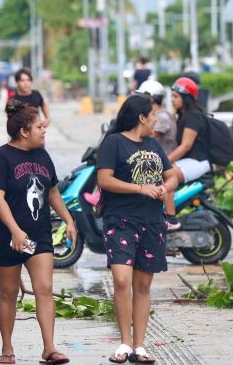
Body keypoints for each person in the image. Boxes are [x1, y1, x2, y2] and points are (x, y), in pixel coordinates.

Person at [0, 100, 76, 365]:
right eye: (39, 126)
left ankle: (49, 348)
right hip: (7, 237)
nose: (44, 130)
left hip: (39, 235)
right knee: (9, 293)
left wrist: (68, 220)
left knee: (45, 289)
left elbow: (53, 192)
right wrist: (15, 231)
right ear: (24, 131)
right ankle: (7, 348)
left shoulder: (42, 156)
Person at [95, 94, 179, 364]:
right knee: (121, 280)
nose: (156, 120)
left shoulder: (154, 144)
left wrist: (165, 188)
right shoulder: (113, 142)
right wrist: (140, 188)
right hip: (120, 220)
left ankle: (140, 346)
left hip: (152, 222)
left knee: (143, 286)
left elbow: (172, 174)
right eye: (153, 115)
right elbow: (104, 179)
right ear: (141, 117)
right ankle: (124, 343)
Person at [135, 80, 181, 230]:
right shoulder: (161, 114)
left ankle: (170, 218)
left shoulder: (160, 117)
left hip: (162, 160)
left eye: (142, 97)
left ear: (151, 98)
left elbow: (145, 136)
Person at [168, 77, 212, 187]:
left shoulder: (194, 117)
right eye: (172, 96)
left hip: (198, 162)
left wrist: (164, 162)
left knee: (165, 174)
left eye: (176, 96)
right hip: (187, 161)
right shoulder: (183, 116)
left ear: (186, 98)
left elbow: (186, 146)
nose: (172, 100)